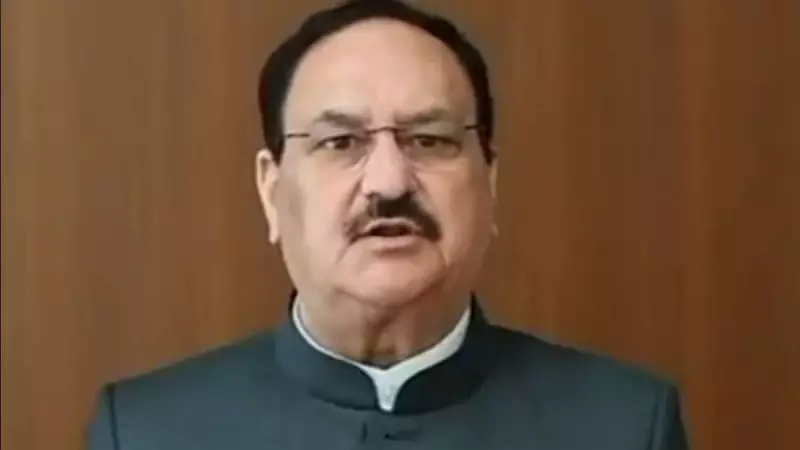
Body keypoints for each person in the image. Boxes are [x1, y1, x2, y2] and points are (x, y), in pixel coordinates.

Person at [87, 1, 690, 448]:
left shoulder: (624, 426)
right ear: (272, 192)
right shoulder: (144, 432)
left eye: (429, 139)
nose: (389, 182)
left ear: (489, 182)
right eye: (340, 142)